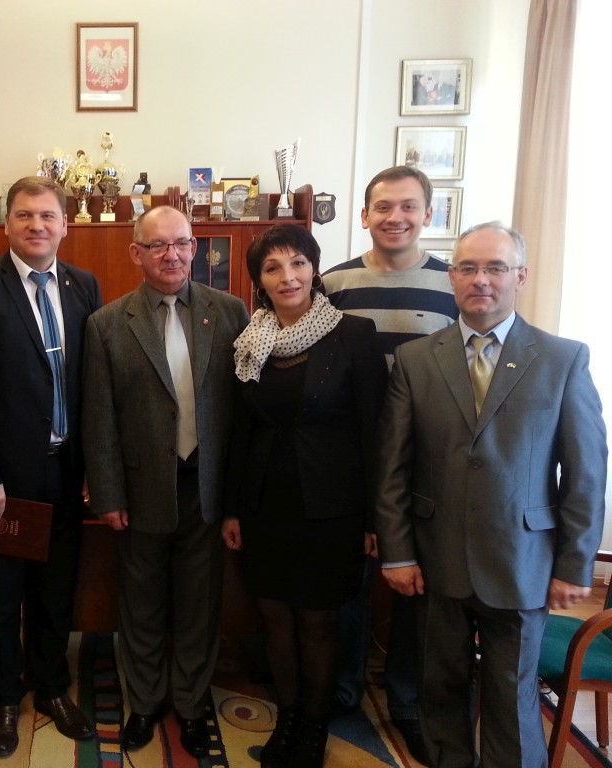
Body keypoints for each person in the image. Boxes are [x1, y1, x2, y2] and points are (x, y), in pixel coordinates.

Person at [376, 222, 607, 768]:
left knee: (512, 696)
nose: (481, 279)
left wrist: (574, 564)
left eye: (496, 268)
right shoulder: (416, 360)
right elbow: (393, 468)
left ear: (520, 276)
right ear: (452, 278)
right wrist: (397, 552)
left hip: (523, 562)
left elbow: (586, 473)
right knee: (440, 690)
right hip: (436, 558)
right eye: (468, 268)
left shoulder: (562, 359)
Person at [0, 176, 101, 758]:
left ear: (65, 225)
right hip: (4, 479)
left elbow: (93, 383)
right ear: (6, 223)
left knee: (57, 589)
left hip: (67, 469)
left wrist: (95, 466)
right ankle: (5, 696)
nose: (37, 225)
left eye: (48, 216)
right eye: (26, 215)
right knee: (5, 594)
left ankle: (52, 685)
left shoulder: (84, 285)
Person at [83, 205, 249, 758]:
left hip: (207, 485)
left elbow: (243, 411)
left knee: (200, 603)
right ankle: (146, 702)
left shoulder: (230, 313)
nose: (171, 255)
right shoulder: (107, 324)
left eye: (181, 243)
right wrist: (108, 494)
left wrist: (237, 497)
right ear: (137, 253)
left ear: (195, 248)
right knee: (141, 602)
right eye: (158, 245)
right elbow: (99, 419)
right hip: (140, 489)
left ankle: (192, 703)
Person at [221, 225, 386, 767]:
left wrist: (375, 518)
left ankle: (314, 726)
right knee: (273, 618)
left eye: (297, 263)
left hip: (332, 508)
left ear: (314, 270)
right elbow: (240, 431)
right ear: (259, 281)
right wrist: (231, 508)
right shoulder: (250, 341)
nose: (287, 276)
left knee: (318, 623)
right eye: (272, 268)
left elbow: (374, 430)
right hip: (265, 505)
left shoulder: (353, 334)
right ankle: (287, 717)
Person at [322, 165, 457, 763]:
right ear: (364, 215)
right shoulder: (333, 284)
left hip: (427, 462)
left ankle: (407, 699)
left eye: (407, 206)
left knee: (415, 585)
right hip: (350, 458)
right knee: (349, 580)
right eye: (383, 206)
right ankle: (344, 688)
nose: (395, 217)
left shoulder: (453, 284)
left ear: (427, 214)